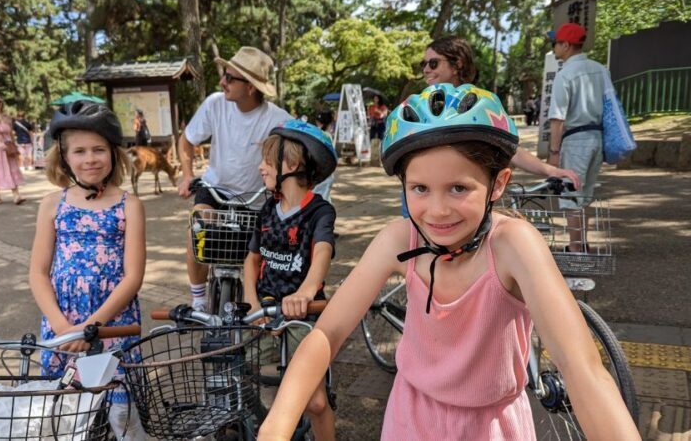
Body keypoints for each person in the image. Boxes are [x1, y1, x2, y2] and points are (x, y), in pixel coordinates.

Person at [257, 84, 640, 441]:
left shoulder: (512, 245)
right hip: (410, 416)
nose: (437, 211)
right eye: (419, 189)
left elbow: (583, 369)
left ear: (498, 183)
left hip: (491, 426)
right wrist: (276, 425)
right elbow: (327, 333)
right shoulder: (399, 238)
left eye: (458, 188)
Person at [29, 100, 147, 440]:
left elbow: (133, 277)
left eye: (99, 149)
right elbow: (38, 272)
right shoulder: (53, 205)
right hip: (63, 326)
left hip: (113, 325)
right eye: (79, 151)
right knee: (63, 414)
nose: (90, 159)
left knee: (122, 414)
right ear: (65, 157)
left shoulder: (130, 205)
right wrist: (64, 327)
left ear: (113, 153)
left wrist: (92, 327)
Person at [243, 120, 338, 440]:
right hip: (266, 310)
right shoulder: (268, 208)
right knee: (260, 377)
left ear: (293, 165)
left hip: (302, 314)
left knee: (315, 401)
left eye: (268, 162)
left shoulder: (319, 212)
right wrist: (252, 302)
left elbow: (323, 250)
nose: (261, 168)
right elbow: (252, 259)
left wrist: (307, 291)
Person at [177, 46, 291, 311]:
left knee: (262, 251)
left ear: (251, 86)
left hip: (255, 197)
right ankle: (198, 299)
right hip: (215, 189)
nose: (222, 82)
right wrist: (186, 176)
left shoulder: (277, 119)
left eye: (230, 77)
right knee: (197, 231)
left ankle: (259, 300)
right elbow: (187, 141)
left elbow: (297, 154)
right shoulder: (215, 104)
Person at [421, 36, 580, 187]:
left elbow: (510, 149)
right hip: (420, 194)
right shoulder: (420, 105)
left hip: (460, 197)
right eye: (424, 64)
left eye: (433, 63)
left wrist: (550, 170)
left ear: (457, 64)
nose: (426, 69)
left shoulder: (480, 102)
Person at [547, 23, 607, 253]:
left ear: (566, 45)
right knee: (586, 194)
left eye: (556, 43)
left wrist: (553, 154)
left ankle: (574, 248)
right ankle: (582, 242)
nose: (554, 47)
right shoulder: (600, 69)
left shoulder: (566, 74)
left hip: (575, 139)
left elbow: (557, 118)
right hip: (597, 137)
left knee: (571, 195)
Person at [312, 108, 336, 203]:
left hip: (315, 170)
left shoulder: (314, 134)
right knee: (323, 197)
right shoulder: (327, 136)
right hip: (325, 171)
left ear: (318, 122)